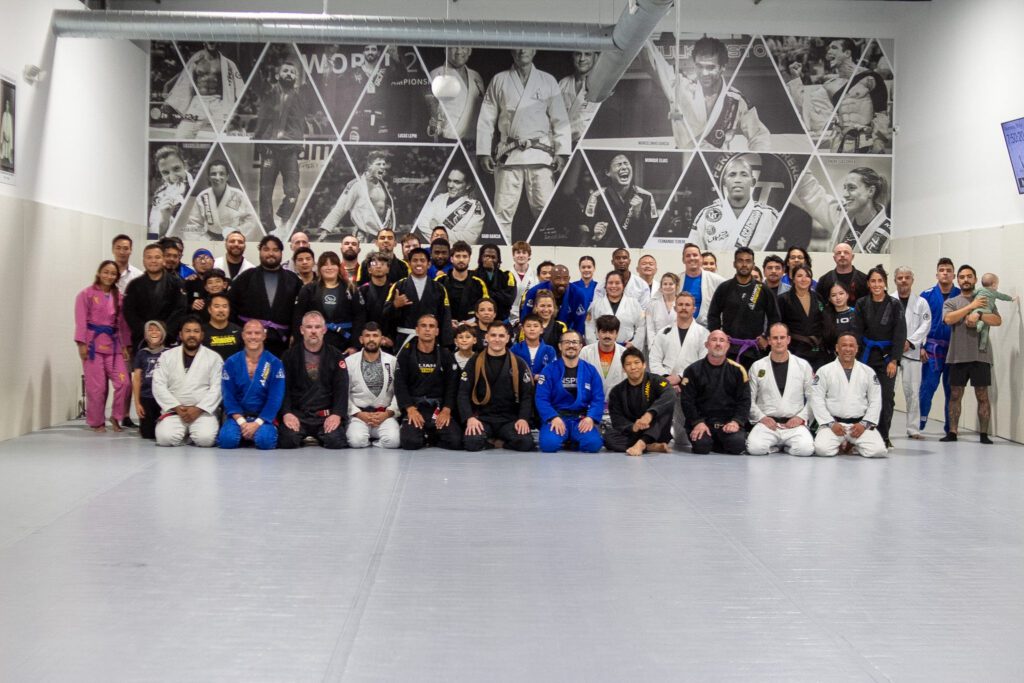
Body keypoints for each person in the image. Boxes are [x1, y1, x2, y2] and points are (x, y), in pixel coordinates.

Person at [476, 48, 571, 236]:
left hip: (541, 154)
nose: (521, 51)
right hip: (509, 155)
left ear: (534, 51)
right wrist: (484, 152)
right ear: (511, 52)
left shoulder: (547, 80)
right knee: (502, 211)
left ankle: (545, 256)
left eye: (526, 47)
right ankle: (501, 256)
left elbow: (560, 119)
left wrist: (562, 153)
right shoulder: (500, 80)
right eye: (517, 48)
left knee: (545, 209)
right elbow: (487, 117)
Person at [643, 36, 770, 151]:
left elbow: (759, 135)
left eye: (710, 67)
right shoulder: (681, 87)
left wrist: (752, 161)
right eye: (699, 66)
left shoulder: (736, 100)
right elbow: (651, 62)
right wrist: (641, 30)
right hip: (684, 163)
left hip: (718, 167)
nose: (704, 73)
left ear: (722, 67)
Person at [786, 38, 890, 153]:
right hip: (841, 144)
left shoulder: (870, 77)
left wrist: (878, 142)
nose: (828, 52)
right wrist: (795, 78)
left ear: (847, 53)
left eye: (834, 48)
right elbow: (804, 108)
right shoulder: (830, 85)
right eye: (828, 49)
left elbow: (882, 114)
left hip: (867, 141)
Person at [942, 265, 1002, 444]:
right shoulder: (951, 302)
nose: (965, 279)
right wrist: (973, 307)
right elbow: (948, 319)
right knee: (955, 395)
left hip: (980, 356)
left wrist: (980, 316)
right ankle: (953, 432)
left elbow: (997, 320)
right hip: (957, 355)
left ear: (975, 279)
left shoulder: (986, 298)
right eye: (962, 277)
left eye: (969, 276)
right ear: (957, 280)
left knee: (982, 395)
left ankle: (984, 434)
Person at [276, 311, 350, 449]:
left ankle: (320, 435)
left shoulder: (336, 355)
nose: (313, 331)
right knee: (287, 440)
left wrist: (337, 414)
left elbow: (342, 388)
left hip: (325, 415)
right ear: (302, 330)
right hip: (299, 415)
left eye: (317, 327)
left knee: (336, 441)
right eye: (309, 327)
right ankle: (306, 436)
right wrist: (286, 413)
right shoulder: (289, 356)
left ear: (324, 330)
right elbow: (283, 388)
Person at [459, 322, 536, 452]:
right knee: (471, 443)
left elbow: (527, 395)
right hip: (483, 418)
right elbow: (463, 393)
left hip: (509, 420)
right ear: (486, 337)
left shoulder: (519, 363)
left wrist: (523, 419)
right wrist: (469, 418)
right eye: (493, 335)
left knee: (525, 443)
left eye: (501, 336)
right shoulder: (475, 361)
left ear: (507, 338)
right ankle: (492, 441)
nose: (497, 339)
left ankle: (498, 442)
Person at [853, 265, 906, 448]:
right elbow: (857, 332)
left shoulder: (894, 304)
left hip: (886, 358)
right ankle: (860, 435)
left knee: (886, 397)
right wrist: (855, 359)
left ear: (885, 283)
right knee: (862, 397)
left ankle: (884, 435)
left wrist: (894, 360)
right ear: (868, 284)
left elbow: (900, 333)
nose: (876, 284)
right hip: (865, 356)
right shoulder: (861, 304)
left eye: (880, 281)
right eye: (873, 281)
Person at [648, 291, 709, 449]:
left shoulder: (703, 333)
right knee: (665, 430)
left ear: (694, 309)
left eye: (687, 305)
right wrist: (667, 379)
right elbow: (654, 360)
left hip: (692, 386)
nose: (683, 308)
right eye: (680, 304)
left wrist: (681, 378)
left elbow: (703, 362)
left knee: (683, 440)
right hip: (666, 384)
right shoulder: (664, 332)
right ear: (675, 308)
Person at [75, 261, 131, 432]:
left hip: (114, 346)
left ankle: (116, 416)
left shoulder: (119, 297)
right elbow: (80, 321)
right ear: (99, 273)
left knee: (124, 383)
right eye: (106, 272)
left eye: (113, 273)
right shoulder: (86, 294)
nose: (109, 276)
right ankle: (97, 421)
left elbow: (123, 324)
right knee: (97, 387)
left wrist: (126, 346)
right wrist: (81, 344)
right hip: (93, 346)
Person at [151, 316, 224, 447]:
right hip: (175, 411)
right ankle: (186, 433)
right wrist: (177, 407)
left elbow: (217, 387)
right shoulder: (167, 356)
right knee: (165, 439)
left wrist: (199, 408)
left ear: (202, 335)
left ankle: (191, 434)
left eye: (196, 331)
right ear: (181, 334)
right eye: (187, 331)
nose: (192, 335)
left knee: (206, 440)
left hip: (202, 411)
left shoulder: (213, 358)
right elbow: (158, 385)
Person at [810, 333, 886, 457]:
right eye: (844, 345)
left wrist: (864, 424)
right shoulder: (824, 371)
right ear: (837, 348)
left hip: (859, 425)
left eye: (851, 346)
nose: (848, 349)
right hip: (834, 424)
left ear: (856, 349)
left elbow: (875, 400)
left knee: (878, 451)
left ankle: (853, 444)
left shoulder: (867, 371)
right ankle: (842, 443)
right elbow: (816, 400)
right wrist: (831, 423)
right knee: (822, 450)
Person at [745, 323, 816, 456]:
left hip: (793, 424)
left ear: (788, 340)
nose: (778, 341)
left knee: (806, 449)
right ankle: (776, 448)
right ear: (769, 340)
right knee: (755, 448)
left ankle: (786, 448)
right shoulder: (758, 366)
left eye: (782, 337)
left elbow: (813, 397)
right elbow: (749, 398)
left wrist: (801, 417)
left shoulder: (803, 365)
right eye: (775, 337)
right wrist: (762, 417)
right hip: (767, 424)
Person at [395, 314, 463, 450]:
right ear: (417, 330)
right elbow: (400, 384)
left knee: (456, 441)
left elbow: (452, 385)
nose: (427, 329)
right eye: (423, 326)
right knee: (410, 443)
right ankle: (424, 433)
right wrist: (410, 409)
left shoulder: (445, 354)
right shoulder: (406, 354)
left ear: (437, 331)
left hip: (437, 408)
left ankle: (430, 435)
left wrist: (447, 409)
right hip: (416, 407)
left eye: (431, 326)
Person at [228, 235, 302, 358]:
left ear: (281, 253)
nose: (270, 253)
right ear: (260, 251)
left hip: (281, 342)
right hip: (250, 340)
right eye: (266, 249)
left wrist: (295, 334)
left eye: (275, 250)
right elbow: (231, 307)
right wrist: (238, 332)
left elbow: (299, 311)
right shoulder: (245, 277)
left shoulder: (293, 280)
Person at [217, 320, 286, 450]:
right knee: (227, 440)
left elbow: (275, 399)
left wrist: (257, 423)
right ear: (243, 335)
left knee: (265, 441)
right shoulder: (231, 362)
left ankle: (253, 433)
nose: (253, 337)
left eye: (257, 333)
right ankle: (245, 433)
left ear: (264, 336)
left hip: (263, 417)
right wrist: (243, 423)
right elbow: (228, 397)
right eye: (249, 333)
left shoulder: (275, 363)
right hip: (238, 417)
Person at [254, 63, 307, 233]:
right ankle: (267, 226)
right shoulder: (269, 93)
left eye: (293, 72)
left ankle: (283, 218)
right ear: (278, 75)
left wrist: (298, 145)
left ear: (296, 78)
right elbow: (262, 118)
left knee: (293, 191)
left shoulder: (299, 97)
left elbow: (300, 123)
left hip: (289, 150)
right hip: (270, 148)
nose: (289, 74)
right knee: (265, 191)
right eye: (285, 71)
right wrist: (261, 143)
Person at [680, 330, 751, 455]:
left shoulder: (738, 371)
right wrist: (698, 423)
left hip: (728, 425)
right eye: (714, 340)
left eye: (722, 340)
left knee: (737, 445)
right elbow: (687, 402)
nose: (718, 344)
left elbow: (744, 401)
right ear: (707, 345)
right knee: (702, 447)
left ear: (728, 346)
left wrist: (736, 422)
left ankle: (718, 442)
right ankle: (712, 442)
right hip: (703, 423)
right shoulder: (692, 370)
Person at [706, 247, 779, 368]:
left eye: (748, 261)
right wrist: (719, 337)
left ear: (753, 264)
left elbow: (774, 317)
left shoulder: (762, 289)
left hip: (755, 349)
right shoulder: (724, 288)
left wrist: (766, 337)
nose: (744, 264)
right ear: (734, 264)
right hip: (729, 348)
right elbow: (713, 315)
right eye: (740, 260)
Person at [792, 166, 891, 253]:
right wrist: (796, 163)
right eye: (845, 188)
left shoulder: (888, 232)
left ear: (871, 191)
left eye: (852, 188)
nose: (845, 194)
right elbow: (811, 193)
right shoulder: (842, 216)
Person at [535, 330, 605, 453]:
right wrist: (553, 417)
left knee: (594, 445)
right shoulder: (549, 370)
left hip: (581, 419)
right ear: (560, 346)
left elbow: (598, 399)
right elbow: (541, 398)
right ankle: (569, 438)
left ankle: (572, 439)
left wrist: (590, 418)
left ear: (580, 346)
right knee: (548, 445)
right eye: (567, 342)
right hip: (558, 418)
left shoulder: (591, 370)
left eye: (574, 342)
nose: (571, 345)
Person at [688, 156, 779, 251]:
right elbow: (693, 256)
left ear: (753, 182)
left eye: (744, 175)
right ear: (724, 182)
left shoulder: (769, 216)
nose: (737, 180)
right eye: (732, 175)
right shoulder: (706, 215)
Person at [604, 348, 675, 456]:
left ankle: (642, 444)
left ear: (644, 364)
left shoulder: (656, 380)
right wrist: (633, 427)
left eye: (636, 363)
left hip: (656, 431)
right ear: (623, 369)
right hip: (634, 432)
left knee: (666, 408)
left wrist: (650, 414)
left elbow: (670, 394)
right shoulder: (617, 391)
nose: (633, 367)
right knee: (608, 438)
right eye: (628, 364)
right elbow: (617, 419)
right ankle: (649, 446)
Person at [163, 42, 243, 138]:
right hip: (198, 102)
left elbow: (237, 85)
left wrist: (236, 106)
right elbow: (184, 75)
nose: (211, 42)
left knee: (227, 135)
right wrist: (168, 85)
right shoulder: (196, 59)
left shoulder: (226, 63)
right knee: (182, 134)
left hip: (217, 102)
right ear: (204, 42)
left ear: (219, 43)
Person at [292, 251, 365, 354]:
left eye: (333, 264)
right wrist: (300, 343)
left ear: (339, 267)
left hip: (344, 343)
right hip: (314, 343)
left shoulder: (351, 289)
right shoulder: (308, 290)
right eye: (325, 265)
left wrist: (355, 346)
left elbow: (360, 318)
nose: (329, 268)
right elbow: (298, 317)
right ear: (319, 268)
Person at [918, 258, 960, 435]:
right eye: (942, 270)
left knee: (952, 391)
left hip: (954, 349)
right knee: (927, 387)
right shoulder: (926, 295)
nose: (945, 273)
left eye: (948, 270)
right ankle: (919, 424)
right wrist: (920, 346)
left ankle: (950, 428)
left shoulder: (961, 295)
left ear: (954, 275)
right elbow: (917, 323)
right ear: (936, 274)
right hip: (932, 348)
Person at [582, 155, 658, 247]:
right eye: (618, 164)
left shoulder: (646, 197)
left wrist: (638, 214)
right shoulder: (596, 197)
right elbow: (584, 229)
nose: (624, 167)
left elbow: (654, 233)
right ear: (608, 172)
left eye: (626, 163)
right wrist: (594, 232)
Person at [385, 248, 454, 349]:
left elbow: (445, 318)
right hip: (404, 340)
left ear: (429, 264)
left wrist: (446, 345)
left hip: (430, 342)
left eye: (422, 260)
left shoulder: (439, 288)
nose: (418, 264)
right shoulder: (399, 286)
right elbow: (385, 314)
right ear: (409, 263)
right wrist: (395, 305)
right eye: (415, 260)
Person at [346, 323, 401, 449]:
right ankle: (365, 438)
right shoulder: (350, 362)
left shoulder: (392, 361)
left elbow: (400, 391)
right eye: (367, 336)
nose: (371, 339)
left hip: (384, 415)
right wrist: (358, 414)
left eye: (375, 335)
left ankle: (374, 442)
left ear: (382, 339)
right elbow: (343, 393)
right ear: (361, 339)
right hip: (359, 416)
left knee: (393, 441)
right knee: (356, 441)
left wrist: (387, 413)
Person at [320, 150, 396, 242]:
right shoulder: (356, 184)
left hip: (381, 233)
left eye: (384, 164)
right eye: (378, 164)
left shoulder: (383, 184)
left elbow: (387, 209)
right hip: (363, 234)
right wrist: (326, 230)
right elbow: (340, 208)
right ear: (369, 166)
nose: (383, 167)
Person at [892, 267, 932, 440]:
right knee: (887, 392)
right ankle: (881, 427)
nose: (903, 281)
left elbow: (926, 325)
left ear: (912, 280)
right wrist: (897, 344)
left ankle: (913, 429)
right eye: (900, 277)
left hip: (911, 353)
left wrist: (910, 342)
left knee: (913, 393)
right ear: (895, 280)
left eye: (907, 277)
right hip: (892, 353)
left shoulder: (921, 302)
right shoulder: (889, 300)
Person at [124, 243, 187, 349]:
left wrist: (163, 332)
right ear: (144, 261)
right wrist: (146, 332)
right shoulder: (134, 285)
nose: (153, 261)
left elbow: (180, 310)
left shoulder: (176, 283)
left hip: (168, 340)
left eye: (157, 257)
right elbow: (129, 312)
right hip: (142, 340)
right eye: (149, 257)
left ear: (163, 260)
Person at [183, 158, 261, 240]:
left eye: (221, 174)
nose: (217, 177)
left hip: (232, 239)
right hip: (209, 239)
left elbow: (251, 219)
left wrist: (237, 232)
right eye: (213, 174)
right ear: (209, 177)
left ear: (227, 176)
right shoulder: (203, 196)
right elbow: (194, 223)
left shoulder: (237, 195)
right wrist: (198, 240)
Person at [426, 47, 485, 143]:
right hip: (447, 140)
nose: (459, 51)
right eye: (454, 47)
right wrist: (434, 127)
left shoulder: (476, 76)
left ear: (470, 51)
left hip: (473, 142)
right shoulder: (436, 74)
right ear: (445, 50)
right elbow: (431, 115)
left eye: (463, 47)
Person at [776, 265, 829, 370]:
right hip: (794, 349)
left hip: (817, 349)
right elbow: (779, 324)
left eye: (807, 276)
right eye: (799, 276)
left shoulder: (818, 297)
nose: (804, 279)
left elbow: (824, 321)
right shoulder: (783, 299)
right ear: (793, 279)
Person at [413, 168, 486, 244]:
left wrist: (437, 227)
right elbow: (421, 223)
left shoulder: (475, 206)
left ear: (468, 185)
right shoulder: (439, 198)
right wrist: (450, 234)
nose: (450, 185)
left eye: (457, 182)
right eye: (449, 180)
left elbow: (470, 239)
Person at [580, 315, 627, 424]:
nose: (607, 336)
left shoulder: (625, 353)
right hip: (590, 407)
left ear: (617, 334)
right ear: (597, 333)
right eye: (604, 332)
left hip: (617, 407)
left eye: (611, 332)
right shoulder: (586, 352)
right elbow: (581, 381)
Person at [520, 265, 588, 336]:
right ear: (550, 279)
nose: (562, 282)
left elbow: (580, 323)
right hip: (539, 333)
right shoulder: (533, 292)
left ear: (569, 279)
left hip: (566, 333)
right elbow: (526, 318)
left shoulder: (577, 294)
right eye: (558, 278)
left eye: (565, 278)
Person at [435, 241, 489, 327]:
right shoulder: (439, 281)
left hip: (471, 329)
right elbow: (432, 307)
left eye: (464, 256)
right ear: (451, 259)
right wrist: (445, 322)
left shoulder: (479, 283)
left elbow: (486, 309)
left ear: (469, 259)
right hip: (445, 328)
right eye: (457, 256)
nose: (461, 260)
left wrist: (475, 323)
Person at [587, 271, 646, 349]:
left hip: (627, 348)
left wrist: (634, 344)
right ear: (605, 286)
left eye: (617, 283)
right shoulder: (595, 305)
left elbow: (641, 326)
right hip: (601, 347)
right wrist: (595, 346)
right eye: (610, 283)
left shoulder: (634, 304)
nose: (613, 286)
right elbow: (589, 327)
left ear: (623, 285)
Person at [132, 320, 167, 440]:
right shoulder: (141, 354)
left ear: (163, 334)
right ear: (146, 334)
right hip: (146, 397)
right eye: (150, 329)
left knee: (163, 432)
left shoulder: (169, 353)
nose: (154, 332)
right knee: (148, 435)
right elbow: (136, 379)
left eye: (157, 329)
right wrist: (137, 403)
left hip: (163, 398)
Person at [148, 146, 194, 235]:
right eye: (165, 172)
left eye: (176, 169)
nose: (172, 177)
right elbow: (152, 235)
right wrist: (164, 219)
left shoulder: (199, 184)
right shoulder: (159, 195)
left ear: (185, 165)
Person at [559, 50, 601, 145]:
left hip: (585, 145)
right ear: (572, 56)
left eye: (587, 54)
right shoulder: (563, 83)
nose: (582, 59)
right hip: (561, 145)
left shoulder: (601, 86)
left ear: (596, 57)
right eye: (578, 54)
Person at [678, 243, 724, 327]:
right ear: (683, 260)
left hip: (707, 328)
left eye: (695, 255)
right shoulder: (676, 280)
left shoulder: (717, 280)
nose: (692, 258)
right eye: (688, 255)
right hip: (681, 327)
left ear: (701, 258)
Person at [359, 251, 397, 352]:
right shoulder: (362, 291)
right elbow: (360, 319)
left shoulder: (395, 290)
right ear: (369, 269)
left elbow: (397, 318)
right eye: (374, 264)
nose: (378, 266)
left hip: (389, 341)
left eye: (383, 264)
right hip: (368, 340)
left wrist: (390, 338)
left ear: (388, 269)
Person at [473, 244, 517, 323]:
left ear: (498, 259)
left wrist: (489, 293)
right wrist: (498, 295)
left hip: (501, 321)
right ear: (480, 258)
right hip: (477, 323)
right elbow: (475, 298)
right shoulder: (472, 276)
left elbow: (508, 300)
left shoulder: (507, 276)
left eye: (493, 257)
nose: (489, 259)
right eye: (486, 256)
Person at [973, 273, 1016, 352]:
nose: (997, 287)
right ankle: (982, 347)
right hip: (987, 312)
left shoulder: (980, 289)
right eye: (997, 285)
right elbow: (1003, 297)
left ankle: (979, 324)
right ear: (993, 285)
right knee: (985, 331)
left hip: (977, 310)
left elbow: (972, 294)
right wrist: (1011, 299)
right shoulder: (994, 292)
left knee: (974, 316)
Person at [202, 293, 243, 361]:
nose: (221, 310)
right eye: (217, 306)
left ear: (229, 309)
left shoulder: (239, 331)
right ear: (209, 309)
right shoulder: (201, 332)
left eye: (224, 306)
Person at [509, 241, 537, 326]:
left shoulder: (536, 275)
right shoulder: (506, 274)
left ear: (529, 256)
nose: (521, 255)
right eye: (518, 252)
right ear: (513, 256)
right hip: (509, 315)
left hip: (530, 313)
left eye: (524, 252)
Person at [822, 281, 857, 350]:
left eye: (841, 293)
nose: (838, 297)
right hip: (831, 356)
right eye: (833, 295)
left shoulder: (856, 313)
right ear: (829, 299)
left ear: (847, 295)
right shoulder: (825, 315)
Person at [647, 272, 681, 344]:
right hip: (657, 343)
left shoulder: (682, 303)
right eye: (665, 284)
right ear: (661, 287)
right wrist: (653, 345)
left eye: (671, 284)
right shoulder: (652, 304)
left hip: (677, 342)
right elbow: (650, 328)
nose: (668, 286)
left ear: (677, 286)